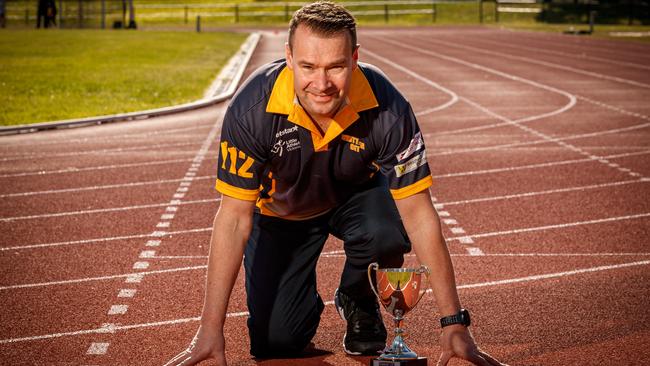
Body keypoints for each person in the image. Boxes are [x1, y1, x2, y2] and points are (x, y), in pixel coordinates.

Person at [165, 2, 506, 366]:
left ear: (355, 58)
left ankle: (357, 295)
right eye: (308, 66)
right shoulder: (252, 110)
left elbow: (419, 214)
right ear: (289, 57)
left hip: (356, 199)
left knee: (386, 230)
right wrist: (209, 327)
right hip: (283, 215)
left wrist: (452, 322)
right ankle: (295, 299)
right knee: (277, 341)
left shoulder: (387, 107)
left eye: (336, 66)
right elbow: (233, 219)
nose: (322, 83)